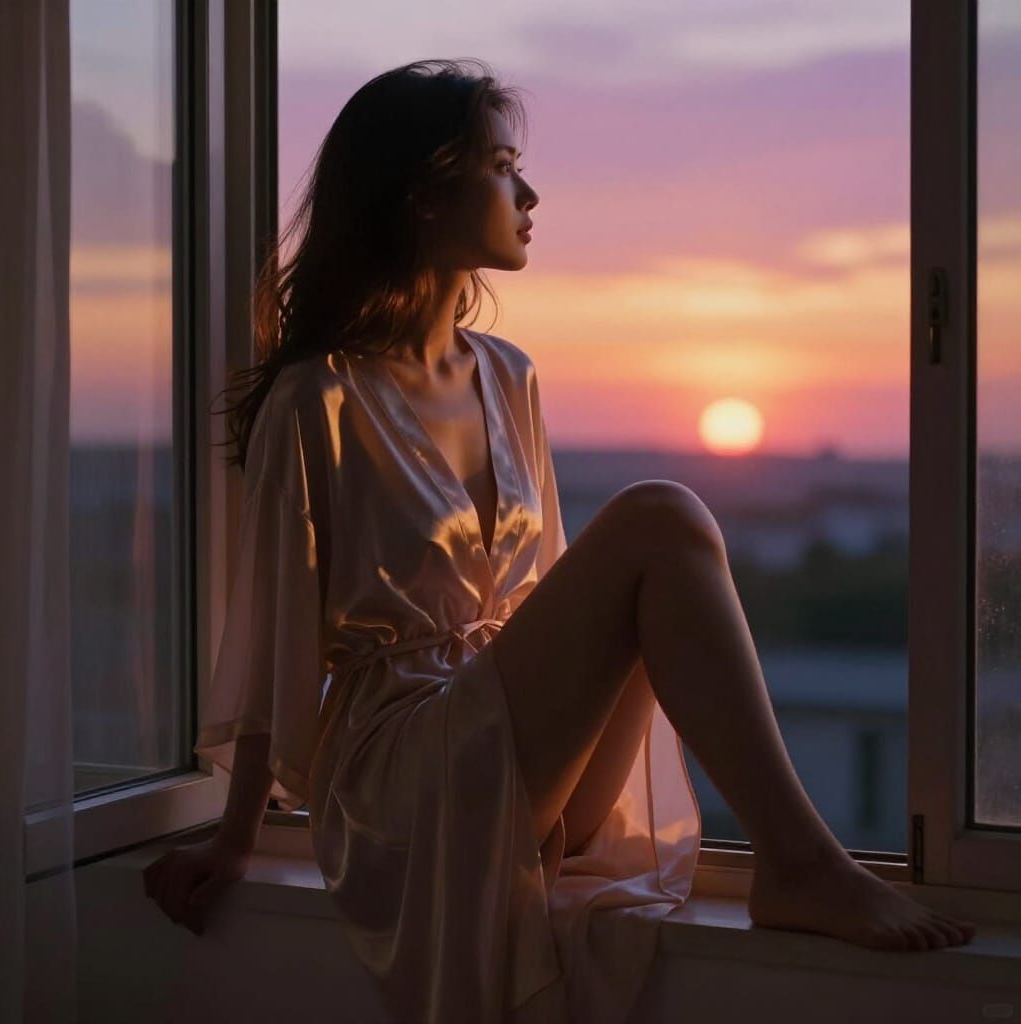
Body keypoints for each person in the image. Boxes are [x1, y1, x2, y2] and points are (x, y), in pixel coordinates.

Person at [143, 58, 976, 1024]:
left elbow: (552, 599)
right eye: (504, 168)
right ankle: (800, 864)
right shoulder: (317, 397)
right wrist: (236, 837)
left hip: (522, 765)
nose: (530, 195)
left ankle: (797, 862)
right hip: (403, 779)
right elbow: (274, 641)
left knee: (661, 548)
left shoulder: (510, 376)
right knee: (660, 514)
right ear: (423, 194)